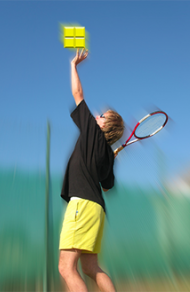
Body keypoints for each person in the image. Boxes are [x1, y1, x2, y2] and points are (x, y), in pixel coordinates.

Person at [58, 48, 124, 292]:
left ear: (106, 126)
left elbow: (78, 94)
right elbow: (107, 186)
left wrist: (73, 65)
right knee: (90, 268)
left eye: (103, 116)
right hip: (96, 210)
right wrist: (110, 157)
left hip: (82, 206)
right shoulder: (109, 154)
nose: (97, 115)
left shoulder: (93, 133)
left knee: (65, 268)